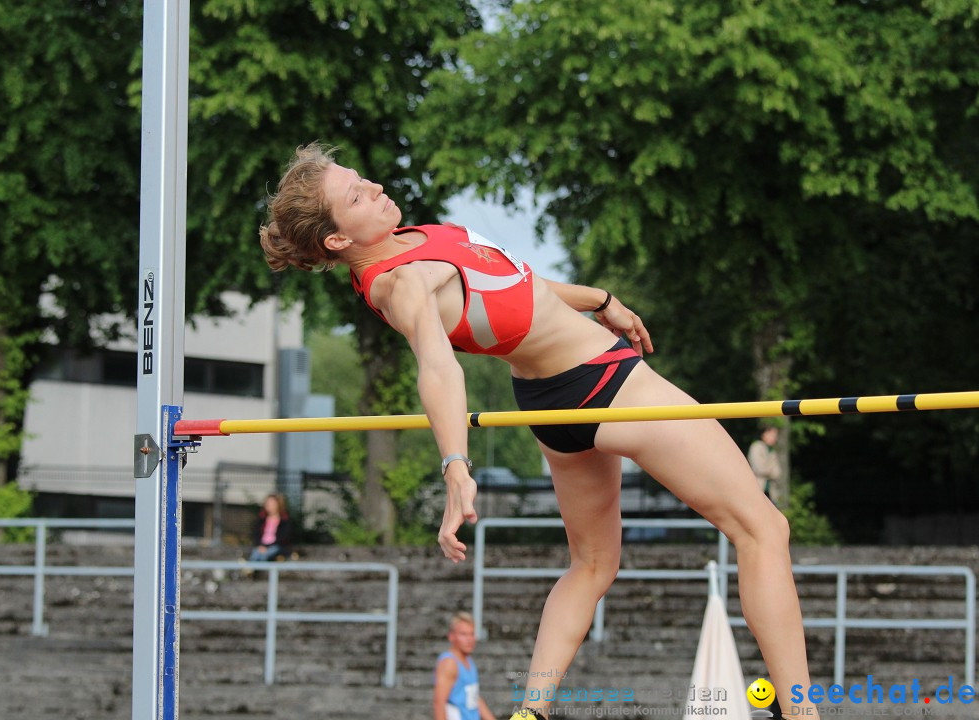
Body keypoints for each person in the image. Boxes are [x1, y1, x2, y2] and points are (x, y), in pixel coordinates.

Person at [260, 143, 820, 719]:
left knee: (593, 565)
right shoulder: (398, 282)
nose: (374, 186)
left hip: (548, 403)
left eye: (362, 177)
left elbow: (517, 287)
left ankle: (532, 711)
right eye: (356, 195)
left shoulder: (415, 240)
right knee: (762, 529)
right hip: (607, 382)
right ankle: (802, 713)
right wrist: (456, 466)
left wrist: (600, 299)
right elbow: (437, 367)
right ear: (337, 240)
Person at [433, 612, 496, 720]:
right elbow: (439, 703)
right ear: (451, 636)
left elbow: (474, 697)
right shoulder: (449, 663)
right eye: (463, 634)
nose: (469, 639)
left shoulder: (468, 660)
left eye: (472, 634)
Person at [248, 493, 293, 562]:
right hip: (262, 545)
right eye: (268, 503)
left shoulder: (284, 520)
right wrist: (260, 545)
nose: (269, 506)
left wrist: (267, 546)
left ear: (278, 504)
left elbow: (284, 537)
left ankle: (256, 571)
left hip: (277, 546)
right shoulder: (261, 519)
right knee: (256, 553)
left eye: (272, 503)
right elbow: (256, 534)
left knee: (265, 554)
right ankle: (250, 570)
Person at [748, 426, 783, 505]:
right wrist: (770, 468)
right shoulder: (756, 447)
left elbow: (777, 473)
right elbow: (759, 469)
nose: (774, 437)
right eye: (771, 434)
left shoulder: (773, 451)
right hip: (758, 489)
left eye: (775, 435)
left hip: (771, 493)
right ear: (764, 434)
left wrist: (768, 469)